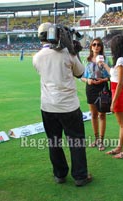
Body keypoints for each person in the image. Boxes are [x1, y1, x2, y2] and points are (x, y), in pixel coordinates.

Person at [33, 22, 92, 186]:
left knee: (54, 142)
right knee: (76, 141)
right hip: (69, 107)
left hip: (47, 106)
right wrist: (74, 52)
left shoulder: (37, 57)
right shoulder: (68, 54)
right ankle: (80, 176)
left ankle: (59, 174)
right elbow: (80, 73)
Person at [99, 35, 123, 159]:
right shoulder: (121, 60)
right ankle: (120, 147)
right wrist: (104, 64)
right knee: (122, 124)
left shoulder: (121, 61)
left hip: (119, 93)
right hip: (119, 92)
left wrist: (113, 102)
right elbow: (113, 75)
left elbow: (119, 83)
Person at [81, 38, 110, 151]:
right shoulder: (86, 60)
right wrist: (88, 81)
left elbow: (111, 75)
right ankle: (96, 139)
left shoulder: (106, 60)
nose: (96, 46)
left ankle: (101, 141)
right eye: (94, 44)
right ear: (91, 47)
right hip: (91, 88)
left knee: (102, 114)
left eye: (98, 45)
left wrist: (103, 80)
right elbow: (82, 76)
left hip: (102, 87)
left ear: (101, 47)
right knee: (93, 115)